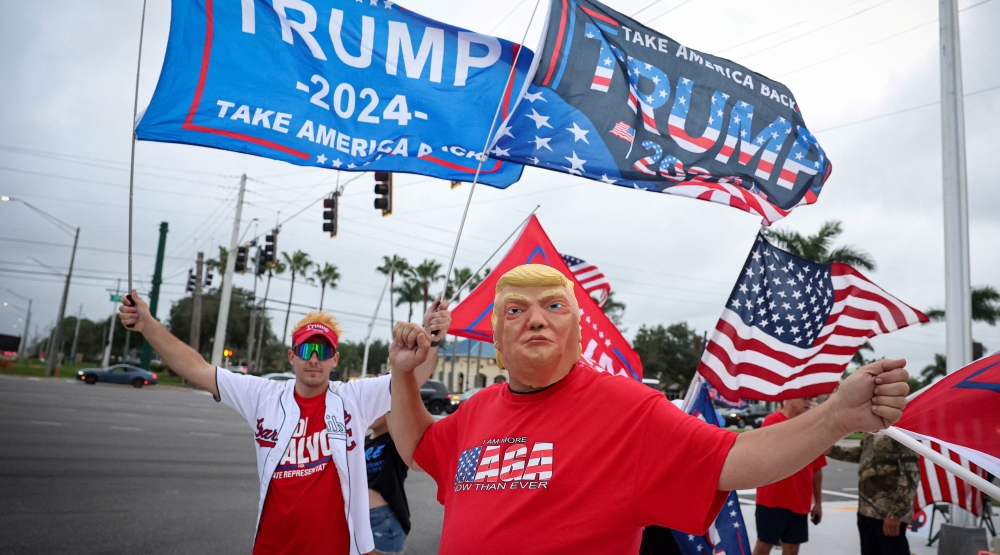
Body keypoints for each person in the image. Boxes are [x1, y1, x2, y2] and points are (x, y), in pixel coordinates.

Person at [385, 264, 912, 555]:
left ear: (575, 331)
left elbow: (739, 458)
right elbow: (418, 447)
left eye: (554, 306)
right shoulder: (476, 411)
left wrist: (837, 416)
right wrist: (403, 376)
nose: (536, 320)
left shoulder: (626, 409)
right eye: (516, 311)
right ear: (496, 337)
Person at [118, 290, 450, 555]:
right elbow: (199, 369)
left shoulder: (353, 398)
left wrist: (430, 340)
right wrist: (147, 324)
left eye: (324, 350)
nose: (315, 358)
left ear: (336, 358)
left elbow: (410, 378)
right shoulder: (262, 395)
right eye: (306, 349)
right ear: (292, 356)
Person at [752, 397, 826, 555]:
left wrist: (818, 503)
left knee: (792, 548)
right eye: (804, 398)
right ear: (789, 399)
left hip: (799, 501)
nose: (809, 402)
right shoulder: (772, 421)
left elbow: (817, 469)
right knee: (764, 546)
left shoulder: (811, 429)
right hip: (772, 500)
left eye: (811, 399)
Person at [828, 434, 920, 555]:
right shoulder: (871, 432)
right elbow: (862, 455)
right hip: (866, 511)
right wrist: (832, 451)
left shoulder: (902, 433)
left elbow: (910, 475)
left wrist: (896, 514)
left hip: (887, 513)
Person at [366, 414, 411, 554]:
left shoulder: (396, 441)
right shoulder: (362, 442)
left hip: (383, 518)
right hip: (358, 518)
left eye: (377, 407)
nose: (371, 411)